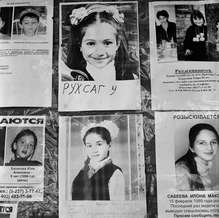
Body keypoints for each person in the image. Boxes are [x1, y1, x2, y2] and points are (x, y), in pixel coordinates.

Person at [61, 4, 138, 81]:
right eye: (91, 43)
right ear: (80, 44)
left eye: (107, 43)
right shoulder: (70, 78)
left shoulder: (132, 79)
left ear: (117, 44)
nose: (100, 52)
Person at [71, 121, 125, 200]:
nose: (94, 150)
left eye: (99, 144)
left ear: (109, 145)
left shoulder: (115, 173)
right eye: (89, 145)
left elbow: (117, 208)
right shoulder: (82, 172)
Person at [175, 123, 219, 191]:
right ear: (191, 148)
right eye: (202, 143)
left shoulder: (204, 166)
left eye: (213, 142)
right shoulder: (181, 171)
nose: (210, 148)